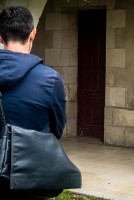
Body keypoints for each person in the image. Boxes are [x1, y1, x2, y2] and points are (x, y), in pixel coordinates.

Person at [0, 5, 67, 199]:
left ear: (1, 37)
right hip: (32, 177)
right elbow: (57, 130)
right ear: (33, 33)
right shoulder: (50, 79)